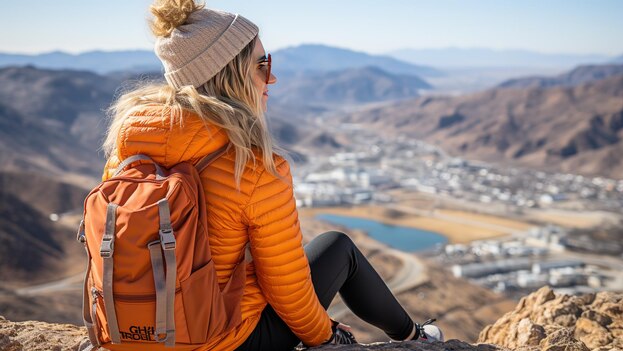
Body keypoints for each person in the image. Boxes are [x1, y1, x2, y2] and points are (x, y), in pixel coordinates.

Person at [102, 0, 444, 350]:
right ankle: (415, 339)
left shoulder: (128, 151)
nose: (272, 77)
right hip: (220, 342)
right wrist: (326, 335)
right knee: (337, 247)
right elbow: (287, 284)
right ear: (229, 73)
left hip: (130, 335)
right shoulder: (250, 166)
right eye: (262, 64)